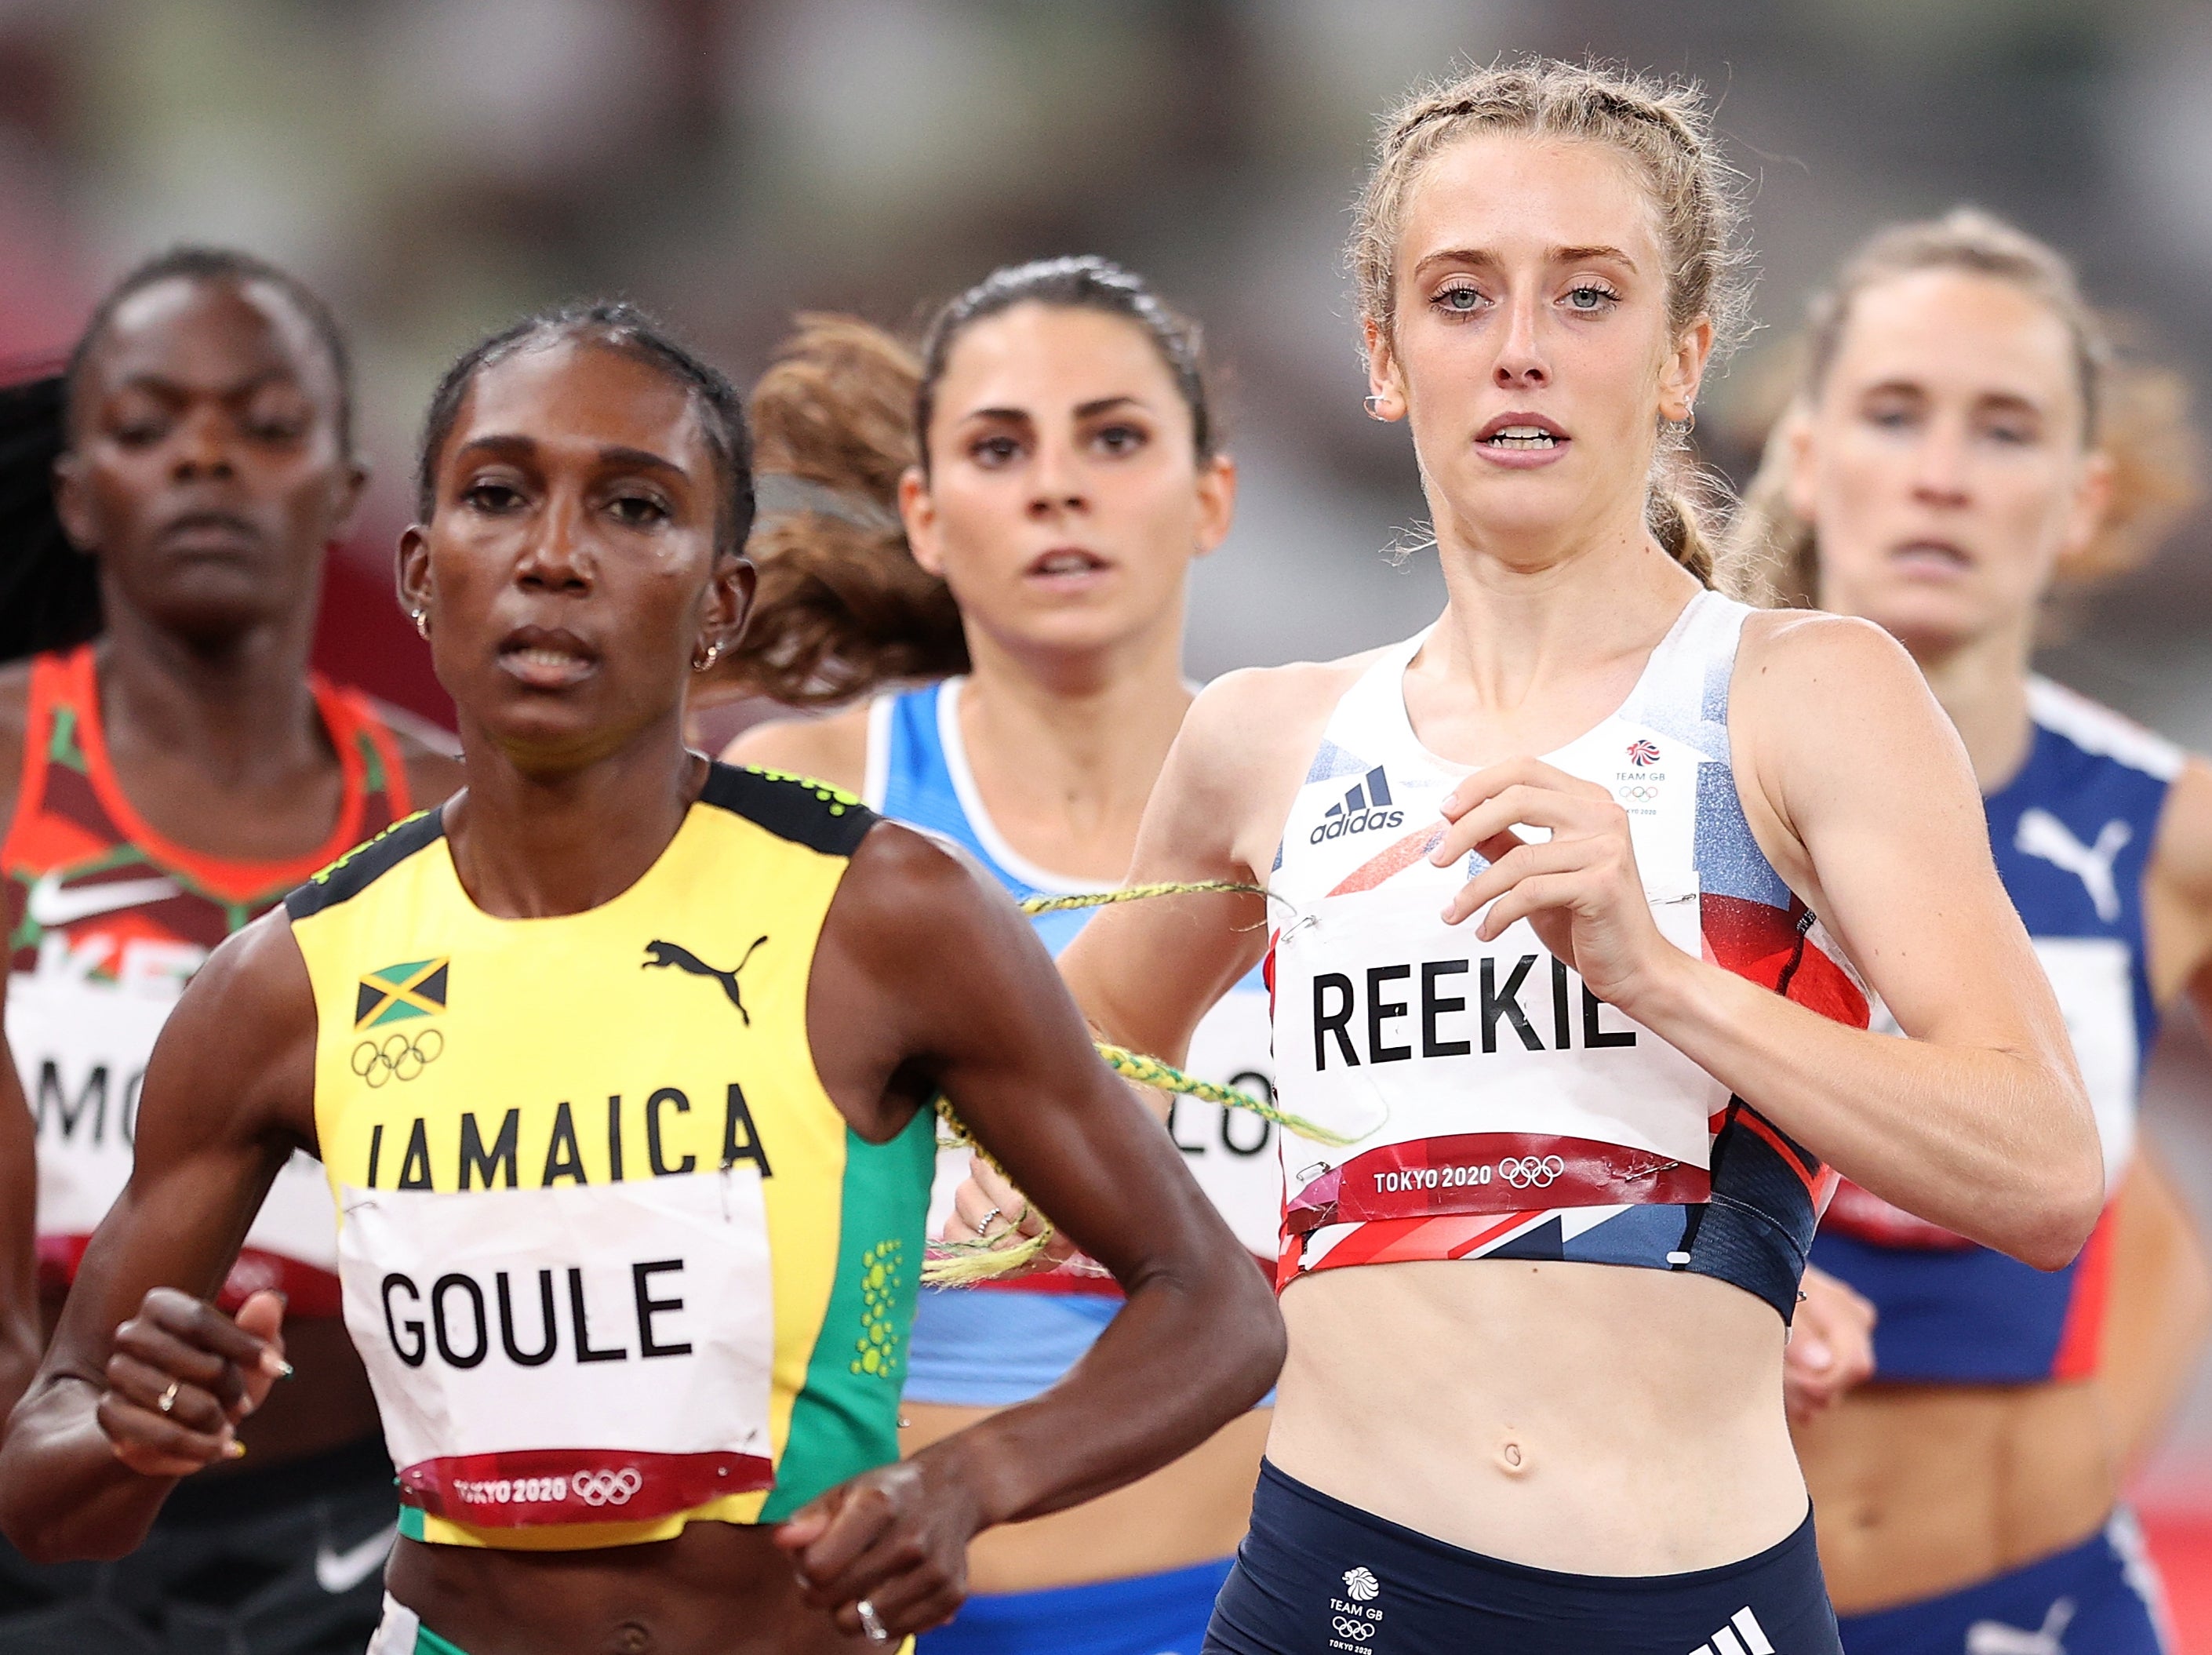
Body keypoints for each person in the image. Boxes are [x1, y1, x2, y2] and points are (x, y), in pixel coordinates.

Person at [948, 58, 2108, 1654]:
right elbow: (1043, 1113)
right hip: (1329, 1588)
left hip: (1695, 1597)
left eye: (1585, 296)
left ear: (1685, 352)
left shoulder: (1800, 694)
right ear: (1381, 351)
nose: (1517, 352)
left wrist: (1656, 974)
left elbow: (2044, 1169)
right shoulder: (1267, 739)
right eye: (1459, 295)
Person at [0, 300, 1284, 1655]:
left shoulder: (884, 916)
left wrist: (969, 1478)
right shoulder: (287, 981)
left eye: (631, 507)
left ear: (718, 604)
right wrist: (134, 1437)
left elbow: (1215, 1306)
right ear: (424, 574)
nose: (555, 556)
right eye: (501, 496)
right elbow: (44, 1485)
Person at [722, 258, 1274, 1654]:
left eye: (1115, 438)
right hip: (891, 1607)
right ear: (924, 513)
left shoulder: (1321, 796)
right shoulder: (807, 796)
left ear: (1211, 496)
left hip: (1244, 1598)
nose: (1057, 487)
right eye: (998, 447)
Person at [1730, 207, 2212, 1655]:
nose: (1941, 475)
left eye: (2005, 430)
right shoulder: (1649, 783)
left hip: (2038, 1605)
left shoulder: (2164, 826)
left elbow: (2163, 1232)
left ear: (2082, 496)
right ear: (1809, 459)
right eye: (1894, 414)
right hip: (1707, 1602)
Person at [0, 246, 460, 1653]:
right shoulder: (5, 769)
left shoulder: (460, 824)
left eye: (264, 426)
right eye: (149, 428)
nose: (207, 462)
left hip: (365, 1530)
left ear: (343, 487)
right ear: (79, 488)